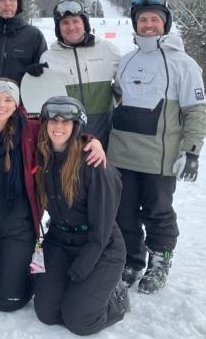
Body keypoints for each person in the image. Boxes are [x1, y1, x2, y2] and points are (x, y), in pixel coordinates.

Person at [0, 78, 106, 313]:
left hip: (18, 225)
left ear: (16, 104)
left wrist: (92, 141)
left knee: (8, 302)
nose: (1, 105)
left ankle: (13, 275)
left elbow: (63, 133)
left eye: (8, 99)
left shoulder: (30, 130)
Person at [110, 0, 206, 294]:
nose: (148, 25)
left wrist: (191, 152)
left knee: (158, 213)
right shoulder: (126, 60)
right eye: (142, 19)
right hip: (121, 155)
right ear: (135, 24)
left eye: (154, 19)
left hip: (160, 159)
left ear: (165, 23)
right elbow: (117, 101)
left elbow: (195, 110)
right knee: (122, 212)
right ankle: (131, 260)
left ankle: (160, 261)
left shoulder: (184, 63)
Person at [32, 96, 129, 335]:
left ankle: (117, 297)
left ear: (77, 125)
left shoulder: (94, 165)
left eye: (67, 121)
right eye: (53, 120)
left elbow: (102, 231)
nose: (59, 126)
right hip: (60, 240)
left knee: (79, 320)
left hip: (100, 247)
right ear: (44, 123)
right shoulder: (42, 157)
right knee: (47, 313)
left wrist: (83, 267)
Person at [37, 0, 120, 147]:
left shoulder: (108, 50)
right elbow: (44, 101)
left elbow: (124, 86)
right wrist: (33, 79)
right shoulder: (48, 58)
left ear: (85, 24)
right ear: (58, 28)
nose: (71, 27)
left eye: (76, 21)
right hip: (67, 139)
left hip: (103, 136)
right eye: (65, 23)